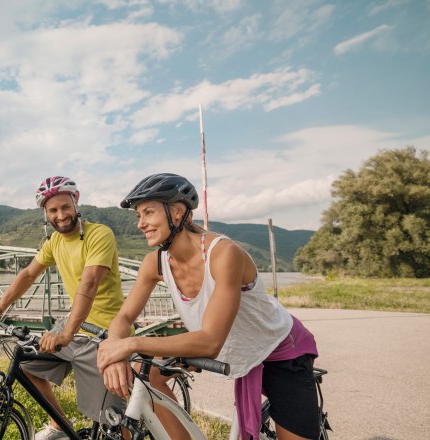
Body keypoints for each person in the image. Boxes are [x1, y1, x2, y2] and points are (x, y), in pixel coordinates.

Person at [96, 173, 319, 440]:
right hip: (226, 344)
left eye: (148, 213)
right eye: (138, 216)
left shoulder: (224, 254)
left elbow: (210, 341)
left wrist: (130, 344)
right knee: (144, 373)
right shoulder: (154, 262)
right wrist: (116, 351)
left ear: (177, 213)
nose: (141, 224)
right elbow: (124, 315)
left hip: (278, 350)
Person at [0, 176, 127, 440]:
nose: (60, 215)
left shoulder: (99, 234)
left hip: (105, 331)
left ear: (76, 201)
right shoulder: (54, 243)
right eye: (53, 210)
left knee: (112, 423)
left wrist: (66, 334)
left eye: (64, 207)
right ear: (45, 214)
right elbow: (28, 274)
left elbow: (89, 283)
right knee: (26, 364)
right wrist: (0, 307)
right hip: (74, 323)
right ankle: (59, 426)